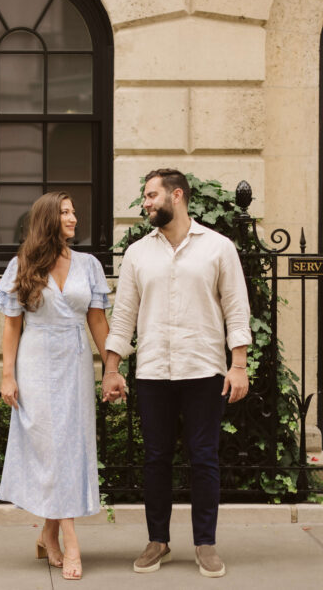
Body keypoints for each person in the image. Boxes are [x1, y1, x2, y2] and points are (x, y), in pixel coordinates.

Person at [100, 169, 251, 579]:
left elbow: (236, 310)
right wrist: (111, 368)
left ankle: (206, 544)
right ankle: (158, 540)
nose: (146, 203)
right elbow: (124, 316)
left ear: (177, 195)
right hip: (152, 372)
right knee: (155, 459)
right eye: (145, 196)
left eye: (151, 195)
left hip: (203, 369)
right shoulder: (137, 254)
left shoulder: (218, 248)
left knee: (204, 460)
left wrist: (238, 366)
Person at [0, 191, 112, 581]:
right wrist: (7, 374)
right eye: (65, 212)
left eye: (74, 211)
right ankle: (71, 539)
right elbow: (12, 323)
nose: (73, 217)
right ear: (47, 218)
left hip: (75, 363)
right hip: (36, 362)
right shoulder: (21, 264)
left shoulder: (89, 264)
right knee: (51, 446)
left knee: (69, 445)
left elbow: (97, 321)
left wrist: (111, 368)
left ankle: (48, 533)